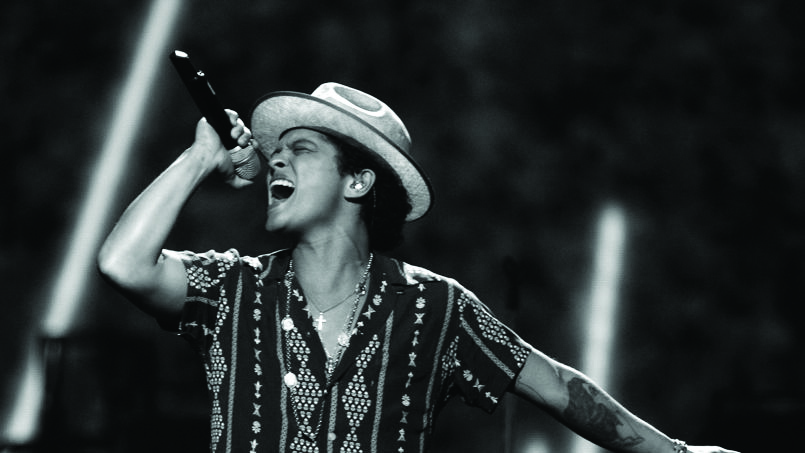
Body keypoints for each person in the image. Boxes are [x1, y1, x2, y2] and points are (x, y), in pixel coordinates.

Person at [97, 82, 738, 453]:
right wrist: (199, 157)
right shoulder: (232, 288)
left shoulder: (436, 307)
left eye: (300, 150)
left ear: (358, 181)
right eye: (274, 154)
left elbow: (559, 388)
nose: (276, 165)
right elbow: (123, 264)